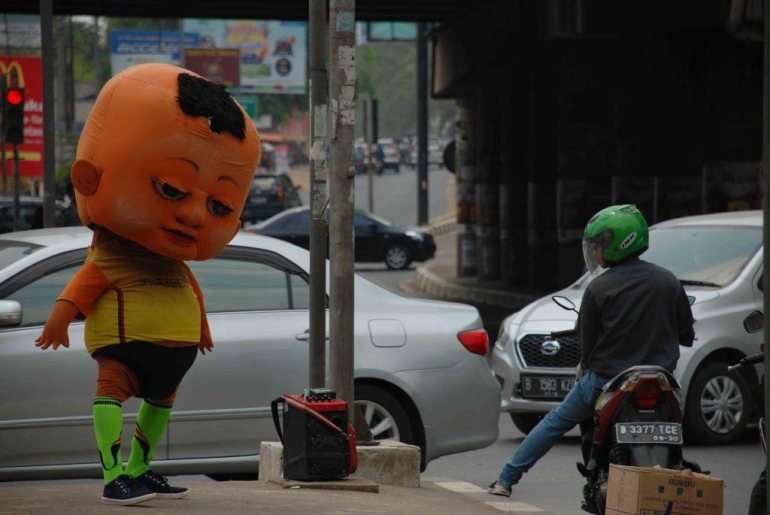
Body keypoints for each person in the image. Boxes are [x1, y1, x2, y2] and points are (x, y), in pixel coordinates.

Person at [33, 63, 260, 506]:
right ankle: (113, 474)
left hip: (175, 357)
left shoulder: (179, 266)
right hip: (125, 350)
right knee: (112, 392)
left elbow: (194, 296)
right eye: (172, 189)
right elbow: (81, 287)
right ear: (88, 177)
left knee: (161, 405)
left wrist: (202, 333)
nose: (196, 216)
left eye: (219, 206)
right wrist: (57, 323)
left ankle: (139, 467)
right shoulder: (114, 256)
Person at [488, 204, 694, 497]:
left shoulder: (599, 288)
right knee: (675, 430)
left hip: (605, 382)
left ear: (618, 243)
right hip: (662, 382)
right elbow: (686, 334)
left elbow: (587, 347)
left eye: (600, 246)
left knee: (554, 423)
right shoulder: (668, 280)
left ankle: (505, 480)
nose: (595, 253)